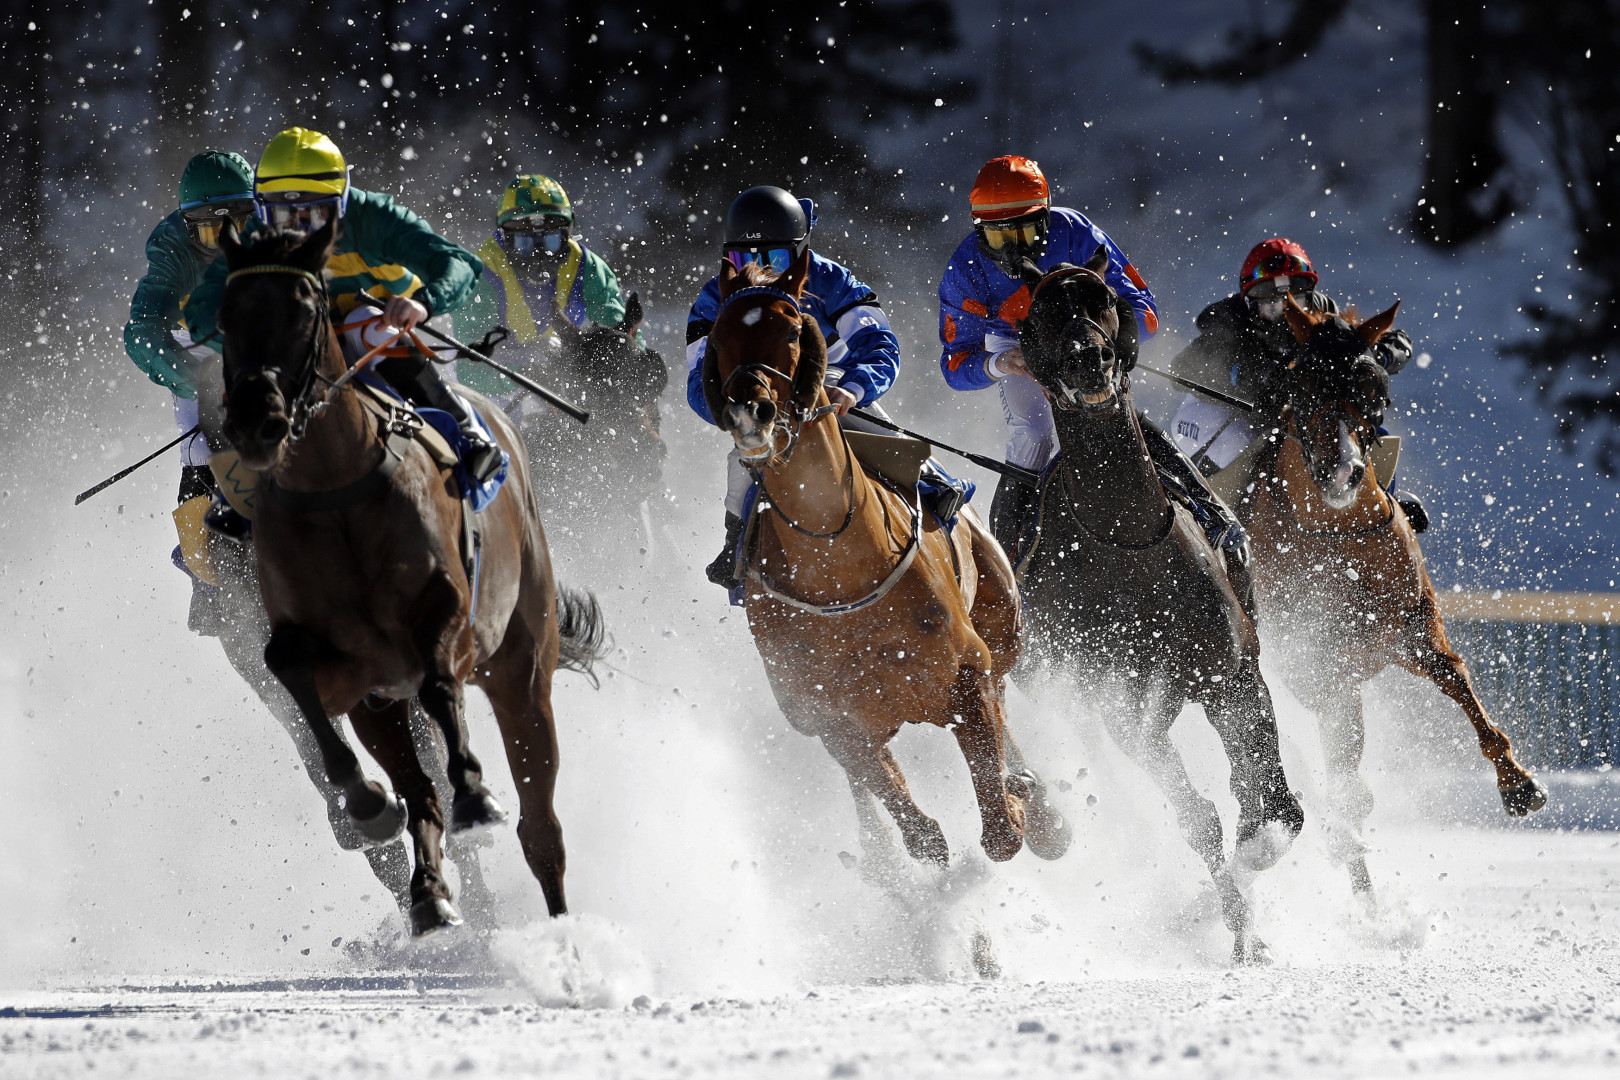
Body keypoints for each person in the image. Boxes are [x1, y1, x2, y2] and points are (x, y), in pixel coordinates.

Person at [937, 155, 1231, 560]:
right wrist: (1000, 364)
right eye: (998, 238)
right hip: (1018, 348)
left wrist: (1114, 341)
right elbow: (955, 366)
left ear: (1045, 217)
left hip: (1085, 335)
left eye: (1023, 232)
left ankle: (1212, 514)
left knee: (1121, 414)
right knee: (1033, 434)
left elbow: (1142, 310)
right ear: (977, 229)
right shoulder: (963, 269)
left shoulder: (1073, 229)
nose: (1014, 249)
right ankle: (1007, 563)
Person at [184, 127, 499, 491]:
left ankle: (466, 432)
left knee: (367, 323)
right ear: (262, 208)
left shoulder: (374, 218)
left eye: (316, 213)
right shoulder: (258, 235)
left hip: (394, 325)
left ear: (343, 201)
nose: (299, 230)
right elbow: (202, 307)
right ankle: (242, 494)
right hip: (308, 337)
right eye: (284, 214)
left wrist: (423, 303)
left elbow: (459, 265)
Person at [685, 185, 904, 588]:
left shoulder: (830, 278)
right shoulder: (716, 296)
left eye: (775, 258)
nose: (759, 269)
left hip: (837, 389)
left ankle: (942, 500)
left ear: (800, 251)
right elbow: (700, 379)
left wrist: (855, 388)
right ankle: (736, 546)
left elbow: (880, 345)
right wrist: (729, 411)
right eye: (744, 258)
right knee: (739, 468)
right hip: (761, 402)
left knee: (897, 446)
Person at [1166, 238, 1427, 530]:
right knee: (1234, 440)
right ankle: (1202, 510)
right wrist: (1248, 377)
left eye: (1295, 299)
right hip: (1235, 411)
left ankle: (1386, 500)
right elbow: (1182, 368)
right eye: (1271, 303)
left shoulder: (1323, 314)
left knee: (1369, 430)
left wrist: (1376, 353)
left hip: (1296, 410)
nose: (1285, 312)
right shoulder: (1229, 321)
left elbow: (1393, 340)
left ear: (1310, 296)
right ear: (1250, 301)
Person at [124, 148, 257, 620]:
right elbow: (142, 332)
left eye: (238, 224)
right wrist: (195, 378)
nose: (226, 242)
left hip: (267, 342)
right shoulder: (172, 249)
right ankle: (212, 579)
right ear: (188, 227)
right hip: (200, 349)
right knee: (203, 448)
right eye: (210, 231)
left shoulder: (280, 229)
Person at [451, 173, 638, 413]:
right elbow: (468, 372)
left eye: (550, 241)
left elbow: (621, 336)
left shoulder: (587, 267)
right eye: (524, 242)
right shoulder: (481, 273)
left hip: (563, 373)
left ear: (567, 234)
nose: (539, 255)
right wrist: (522, 375)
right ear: (504, 237)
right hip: (498, 381)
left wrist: (634, 367)